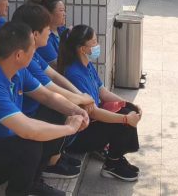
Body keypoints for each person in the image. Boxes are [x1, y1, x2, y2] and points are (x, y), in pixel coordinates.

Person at [0, 22, 89, 196]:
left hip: (2, 146)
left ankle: (33, 181)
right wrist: (69, 128)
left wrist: (76, 111)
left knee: (55, 112)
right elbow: (28, 130)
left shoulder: (18, 70)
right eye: (32, 47)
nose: (35, 52)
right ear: (19, 54)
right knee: (29, 144)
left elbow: (47, 96)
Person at [11, 3, 96, 179]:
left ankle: (55, 155)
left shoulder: (33, 54)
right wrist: (80, 101)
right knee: (60, 109)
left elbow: (54, 76)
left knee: (64, 106)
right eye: (46, 28)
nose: (50, 32)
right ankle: (49, 163)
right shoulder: (24, 61)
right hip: (25, 118)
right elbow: (49, 90)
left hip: (31, 114)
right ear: (34, 34)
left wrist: (80, 96)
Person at [58, 25, 142, 182]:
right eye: (94, 42)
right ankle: (112, 165)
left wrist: (127, 103)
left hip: (90, 123)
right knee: (123, 120)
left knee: (128, 109)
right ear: (83, 49)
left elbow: (102, 92)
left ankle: (117, 158)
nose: (98, 45)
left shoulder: (86, 65)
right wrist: (125, 119)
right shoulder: (74, 73)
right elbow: (93, 112)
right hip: (78, 134)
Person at [32, 0, 68, 66]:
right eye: (61, 10)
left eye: (64, 10)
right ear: (48, 13)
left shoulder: (62, 29)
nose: (65, 14)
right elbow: (56, 65)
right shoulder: (43, 36)